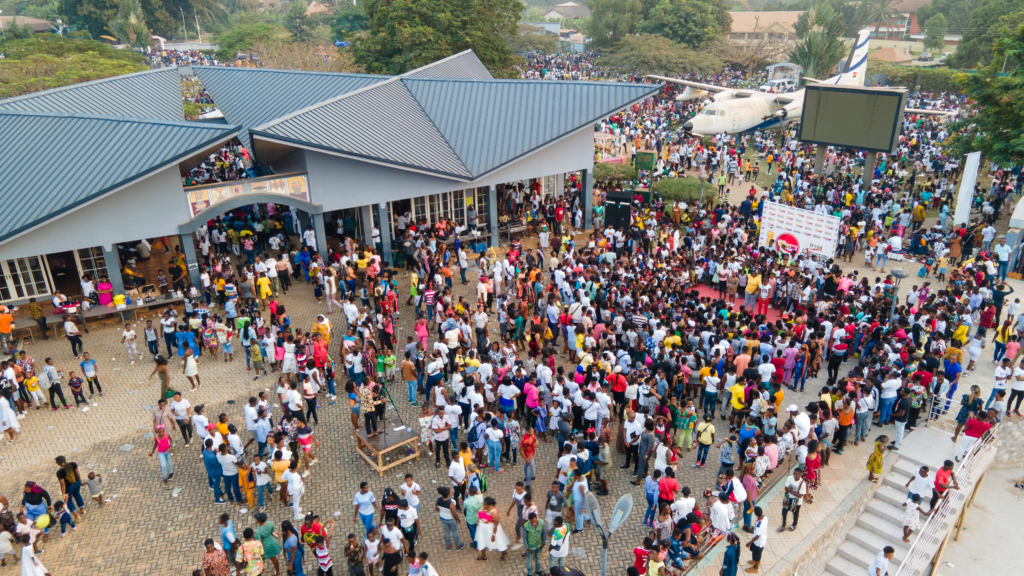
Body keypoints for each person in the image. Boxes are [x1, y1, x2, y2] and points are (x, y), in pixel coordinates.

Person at [475, 496, 508, 560]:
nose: (483, 505)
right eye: (483, 504)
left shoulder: (494, 513)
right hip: (482, 529)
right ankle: (483, 555)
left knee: (498, 542)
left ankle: (504, 553)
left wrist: (494, 535)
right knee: (482, 541)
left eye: (485, 504)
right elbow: (480, 516)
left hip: (491, 529)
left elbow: (496, 525)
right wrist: (478, 521)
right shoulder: (484, 508)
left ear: (490, 505)